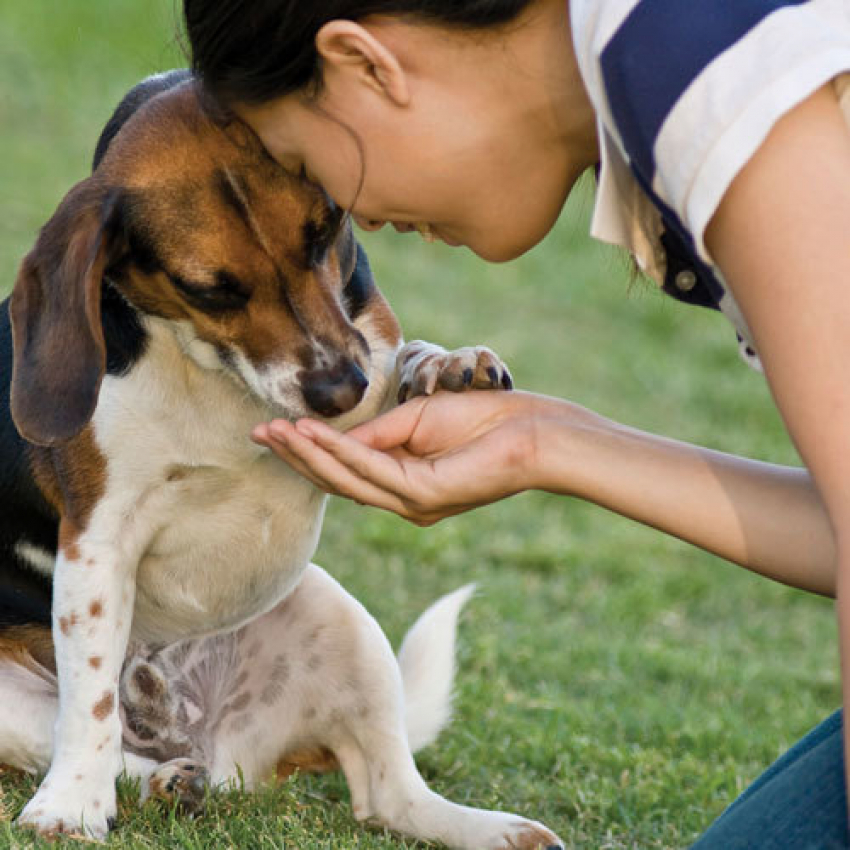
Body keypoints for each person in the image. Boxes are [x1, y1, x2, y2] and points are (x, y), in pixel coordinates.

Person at [182, 0, 850, 846]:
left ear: (365, 63)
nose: (360, 218)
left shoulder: (696, 59)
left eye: (305, 164)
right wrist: (544, 442)